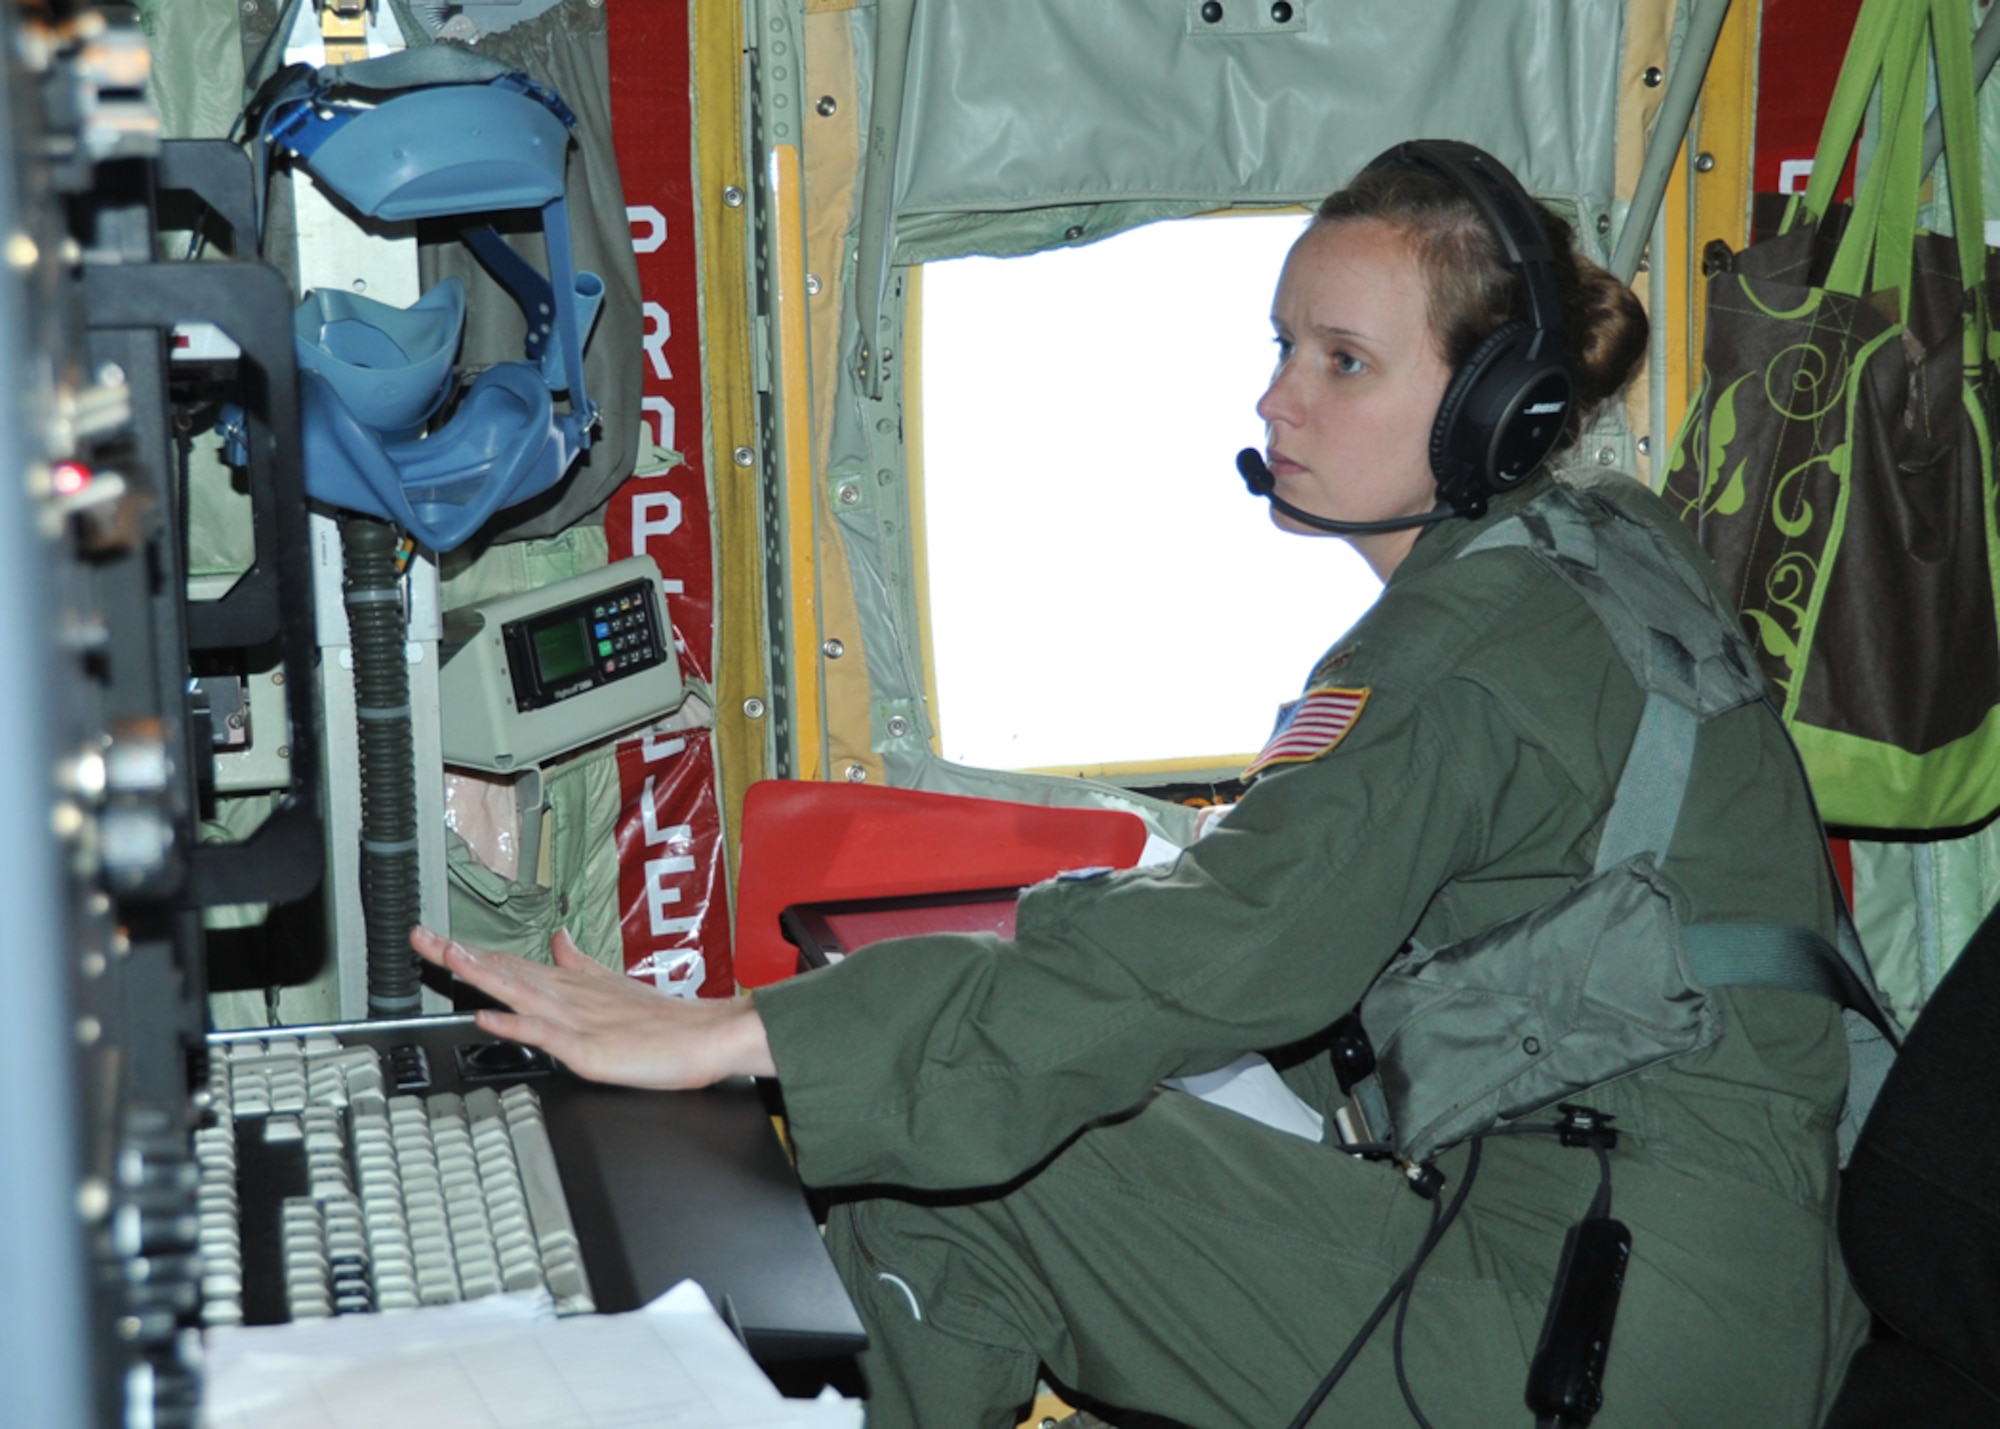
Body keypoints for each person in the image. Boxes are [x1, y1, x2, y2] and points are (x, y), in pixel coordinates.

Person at [412, 143, 1872, 1427]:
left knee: (971, 1166)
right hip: (1731, 1290)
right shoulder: (1605, 549)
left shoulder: (1464, 641)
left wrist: (752, 1033)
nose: (1277, 396)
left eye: (1343, 361)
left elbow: (1233, 945)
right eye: (1285, 344)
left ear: (1498, 402)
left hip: (1599, 1335)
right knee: (1002, 1089)